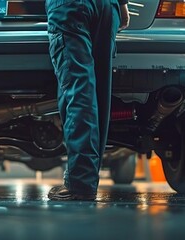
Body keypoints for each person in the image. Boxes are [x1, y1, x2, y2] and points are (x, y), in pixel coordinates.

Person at [46, 0, 130, 200]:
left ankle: (81, 183)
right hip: (108, 7)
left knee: (79, 90)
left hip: (70, 6)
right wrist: (122, 5)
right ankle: (85, 180)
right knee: (100, 93)